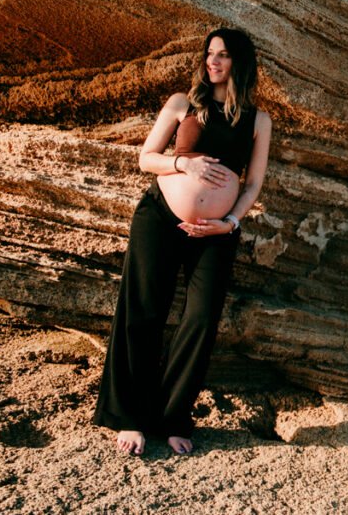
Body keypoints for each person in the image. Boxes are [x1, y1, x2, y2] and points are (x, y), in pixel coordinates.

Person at [93, 28, 272, 456]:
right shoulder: (183, 103)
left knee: (200, 319)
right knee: (144, 311)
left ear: (240, 62)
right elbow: (145, 158)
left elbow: (254, 185)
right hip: (159, 218)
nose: (214, 62)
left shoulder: (257, 120)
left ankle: (171, 417)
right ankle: (130, 418)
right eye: (210, 54)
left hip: (216, 233)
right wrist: (182, 166)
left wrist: (229, 222)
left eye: (224, 55)